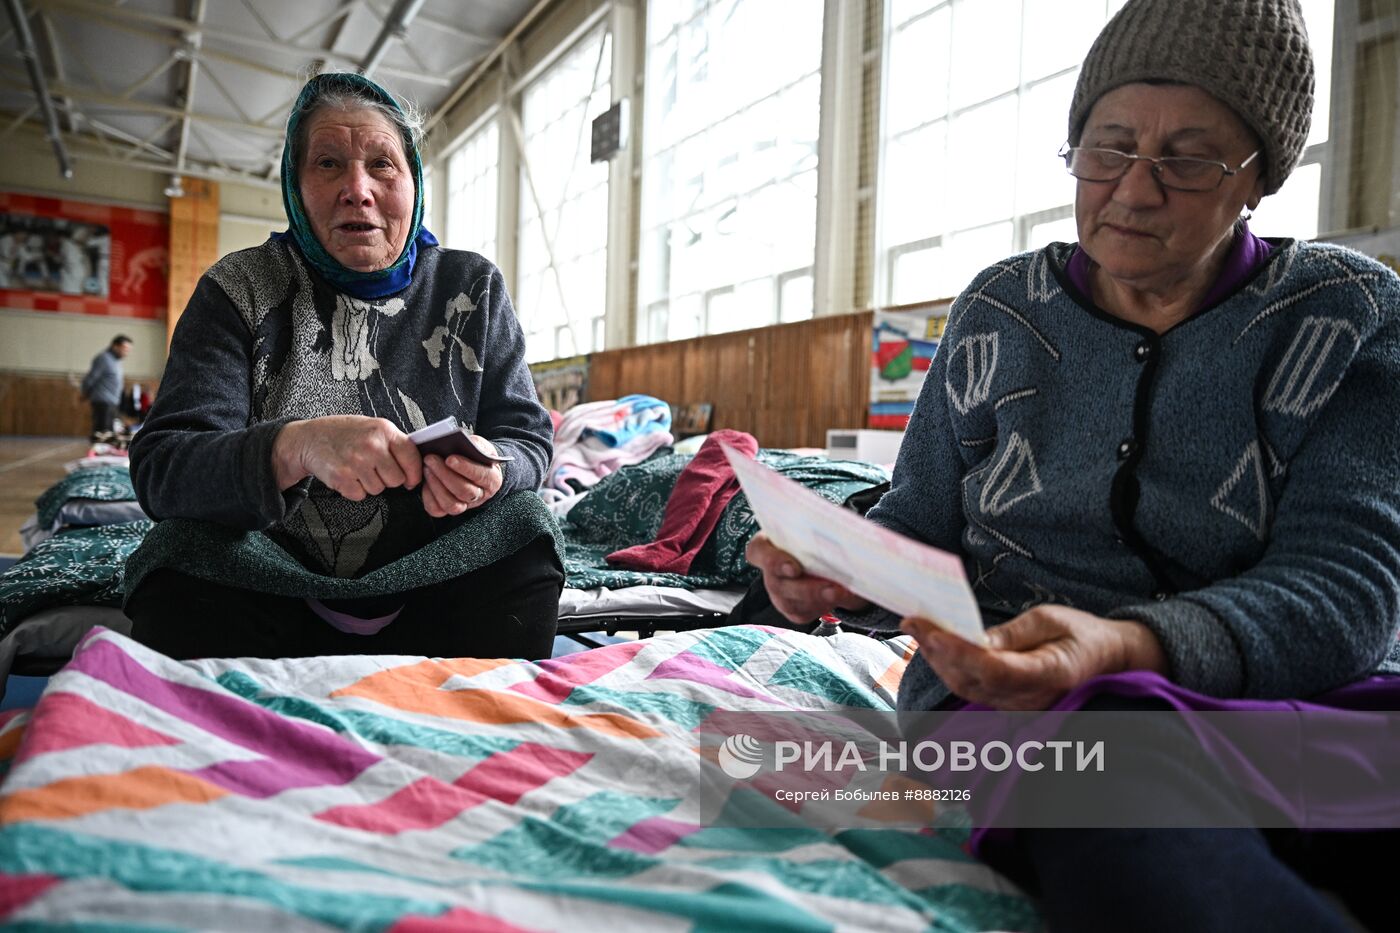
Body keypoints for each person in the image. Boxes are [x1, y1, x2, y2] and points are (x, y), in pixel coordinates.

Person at [747, 1, 1400, 929]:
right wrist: (844, 570)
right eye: (1108, 147)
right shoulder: (1001, 310)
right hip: (1020, 704)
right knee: (1123, 809)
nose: (1133, 191)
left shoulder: (1351, 314)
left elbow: (1349, 590)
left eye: (1188, 160)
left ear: (1257, 179)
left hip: (1287, 700)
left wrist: (1135, 645)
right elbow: (925, 524)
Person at [124, 73, 562, 662]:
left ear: (414, 184)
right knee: (179, 546)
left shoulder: (471, 287)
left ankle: (472, 729)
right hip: (265, 582)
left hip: (436, 581)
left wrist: (493, 472)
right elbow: (163, 468)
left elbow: (527, 440)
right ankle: (229, 739)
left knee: (526, 525)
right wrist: (295, 447)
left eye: (382, 165)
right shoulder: (239, 289)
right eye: (328, 164)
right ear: (295, 185)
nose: (358, 189)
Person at [79, 334, 132, 440]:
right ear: (115, 346)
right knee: (102, 433)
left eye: (129, 350)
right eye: (125, 348)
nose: (127, 352)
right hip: (103, 401)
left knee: (110, 434)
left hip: (112, 402)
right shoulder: (103, 358)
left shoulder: (116, 361)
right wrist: (84, 392)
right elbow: (91, 378)